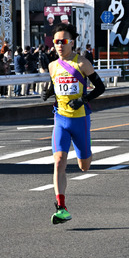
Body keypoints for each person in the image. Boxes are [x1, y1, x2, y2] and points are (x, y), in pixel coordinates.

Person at [42, 23, 106, 225]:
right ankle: (61, 207)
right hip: (60, 119)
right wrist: (48, 91)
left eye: (64, 41)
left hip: (80, 120)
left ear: (72, 42)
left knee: (84, 166)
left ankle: (86, 151)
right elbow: (55, 84)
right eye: (56, 42)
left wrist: (83, 100)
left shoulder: (82, 64)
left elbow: (100, 87)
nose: (60, 45)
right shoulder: (53, 66)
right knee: (59, 161)